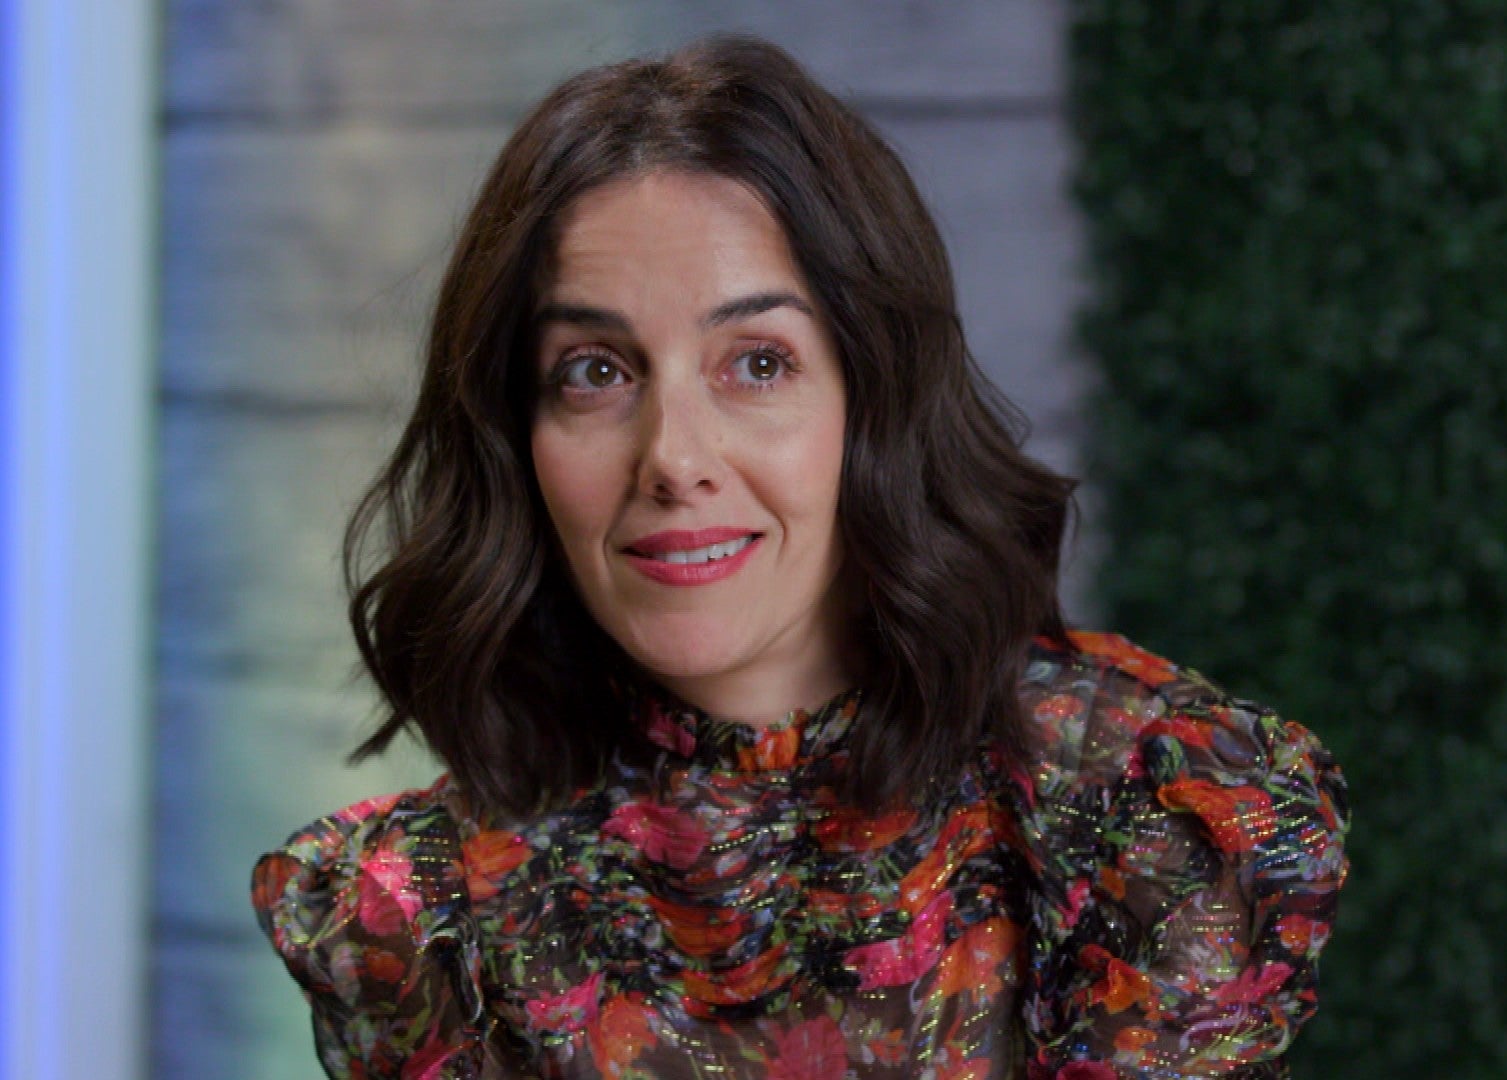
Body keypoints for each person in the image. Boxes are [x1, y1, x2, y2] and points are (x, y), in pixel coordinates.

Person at [250, 35, 1350, 1080]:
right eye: (595, 371)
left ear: (874, 396)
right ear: (517, 433)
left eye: (758, 363)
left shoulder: (1145, 816)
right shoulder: (420, 916)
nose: (673, 459)